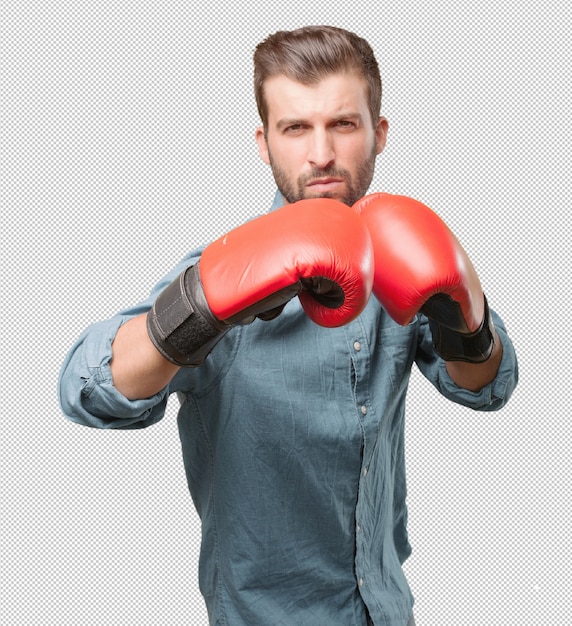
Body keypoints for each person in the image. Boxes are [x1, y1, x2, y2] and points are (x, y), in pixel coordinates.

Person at [58, 25, 519, 626]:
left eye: (343, 125)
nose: (320, 153)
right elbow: (84, 390)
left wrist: (466, 315)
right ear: (265, 142)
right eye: (295, 128)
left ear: (379, 134)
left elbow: (488, 386)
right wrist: (197, 313)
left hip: (387, 609)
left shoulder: (403, 258)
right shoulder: (225, 271)